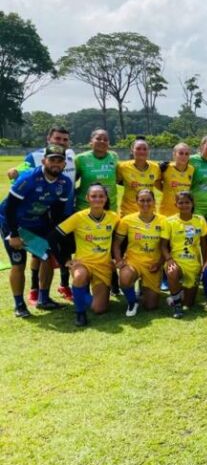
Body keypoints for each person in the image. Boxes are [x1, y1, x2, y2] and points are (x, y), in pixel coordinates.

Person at [0, 145, 72, 318]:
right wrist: (14, 235)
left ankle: (44, 299)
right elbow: (10, 208)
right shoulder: (29, 179)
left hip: (36, 222)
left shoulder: (64, 183)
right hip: (11, 222)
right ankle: (19, 305)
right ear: (43, 161)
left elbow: (56, 214)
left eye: (59, 160)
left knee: (47, 256)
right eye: (52, 159)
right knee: (19, 263)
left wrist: (58, 239)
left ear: (64, 164)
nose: (56, 163)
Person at [10, 126, 77, 303]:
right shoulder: (35, 158)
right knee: (31, 257)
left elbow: (74, 179)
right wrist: (15, 170)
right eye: (57, 138)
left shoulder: (70, 157)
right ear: (49, 139)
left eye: (64, 139)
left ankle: (52, 293)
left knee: (53, 251)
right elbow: (23, 168)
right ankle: (31, 293)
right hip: (31, 217)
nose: (61, 142)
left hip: (59, 213)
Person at [55, 184, 118, 326]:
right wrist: (64, 261)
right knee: (79, 276)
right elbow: (54, 236)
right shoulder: (78, 217)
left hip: (103, 266)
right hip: (83, 263)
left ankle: (83, 295)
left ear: (106, 198)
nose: (97, 199)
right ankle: (80, 313)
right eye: (93, 196)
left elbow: (121, 238)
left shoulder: (113, 217)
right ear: (87, 198)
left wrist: (117, 259)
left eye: (101, 196)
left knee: (98, 308)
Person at [113, 188, 165, 317]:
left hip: (153, 264)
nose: (145, 203)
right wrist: (119, 260)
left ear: (154, 202)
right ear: (136, 202)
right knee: (125, 278)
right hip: (133, 261)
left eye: (149, 200)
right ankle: (132, 301)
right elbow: (117, 244)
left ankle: (144, 288)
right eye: (142, 200)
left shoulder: (164, 221)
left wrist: (159, 264)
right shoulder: (127, 220)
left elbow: (166, 247)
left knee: (150, 306)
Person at [161, 191, 207, 318]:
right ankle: (176, 305)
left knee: (189, 303)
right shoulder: (169, 221)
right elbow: (163, 246)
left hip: (193, 263)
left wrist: (204, 263)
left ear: (192, 204)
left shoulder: (200, 220)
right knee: (172, 271)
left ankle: (178, 293)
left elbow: (204, 244)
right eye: (180, 202)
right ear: (176, 204)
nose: (184, 205)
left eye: (187, 202)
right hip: (176, 260)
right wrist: (169, 260)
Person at [74, 129, 118, 212]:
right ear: (91, 141)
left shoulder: (114, 156)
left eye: (105, 139)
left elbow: (119, 178)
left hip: (110, 209)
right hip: (85, 208)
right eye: (98, 139)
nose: (102, 141)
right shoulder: (80, 159)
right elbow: (72, 182)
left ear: (109, 143)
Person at [117, 138, 162, 218]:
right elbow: (115, 181)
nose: (142, 151)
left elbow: (160, 185)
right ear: (132, 150)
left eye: (145, 149)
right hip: (128, 213)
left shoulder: (156, 167)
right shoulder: (122, 167)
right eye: (138, 149)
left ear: (148, 151)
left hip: (149, 213)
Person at [158, 142, 194, 217]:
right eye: (181, 153)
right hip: (166, 212)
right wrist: (166, 189)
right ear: (174, 154)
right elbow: (156, 182)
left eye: (186, 154)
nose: (184, 156)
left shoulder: (192, 170)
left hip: (183, 212)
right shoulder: (166, 168)